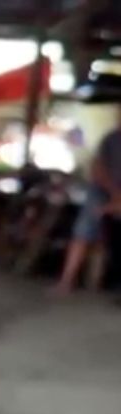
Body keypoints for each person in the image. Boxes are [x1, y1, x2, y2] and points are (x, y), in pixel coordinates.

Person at [53, 107, 121, 295]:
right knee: (83, 229)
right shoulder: (110, 139)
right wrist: (114, 194)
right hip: (103, 189)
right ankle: (66, 280)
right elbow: (97, 168)